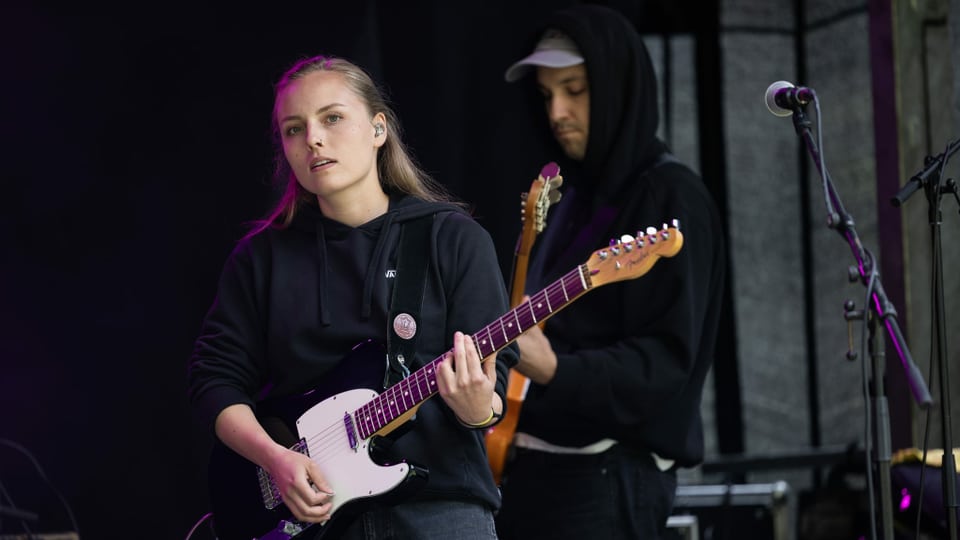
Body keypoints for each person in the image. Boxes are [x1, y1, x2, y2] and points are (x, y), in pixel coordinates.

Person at [187, 54, 517, 540]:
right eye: (294, 129)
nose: (314, 139)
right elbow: (214, 381)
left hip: (439, 512)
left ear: (379, 129)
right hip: (311, 521)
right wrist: (275, 460)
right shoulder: (260, 258)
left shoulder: (453, 239)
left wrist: (476, 406)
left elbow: (492, 395)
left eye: (332, 118)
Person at [494, 5, 727, 540]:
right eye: (547, 93)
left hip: (603, 475)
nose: (557, 111)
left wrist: (556, 369)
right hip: (532, 468)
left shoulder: (669, 197)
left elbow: (665, 365)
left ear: (617, 85)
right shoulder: (571, 197)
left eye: (574, 89)